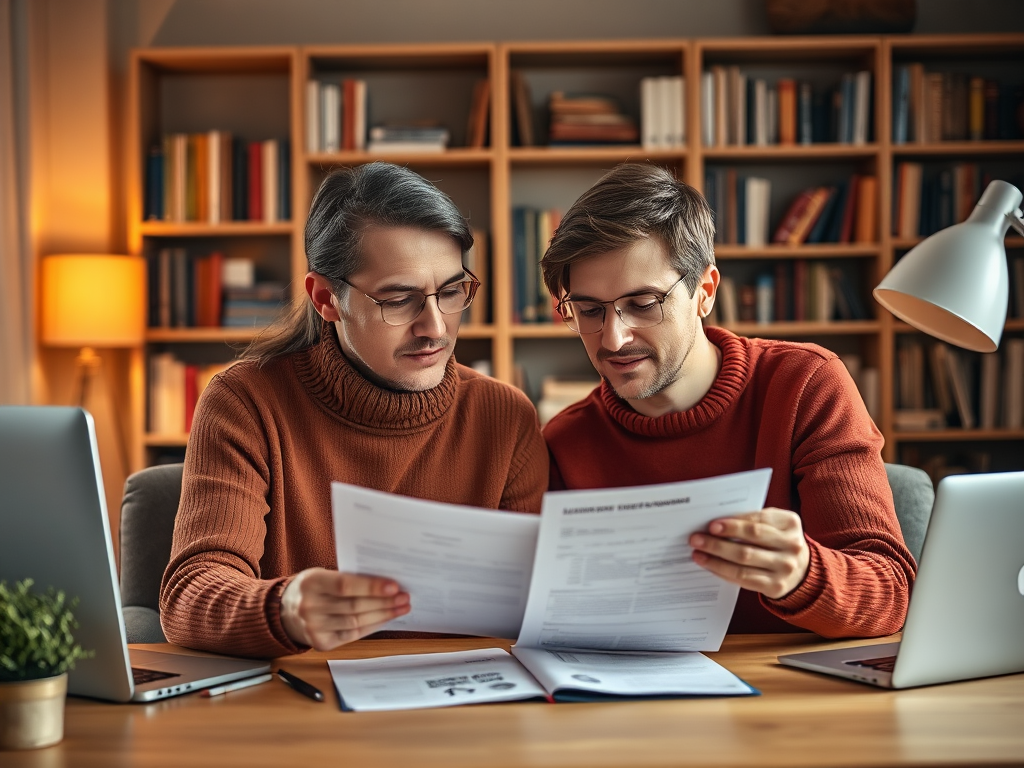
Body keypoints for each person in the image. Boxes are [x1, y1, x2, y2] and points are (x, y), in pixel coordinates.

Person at [161, 162, 547, 659]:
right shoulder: (245, 404)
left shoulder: (505, 417)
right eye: (399, 299)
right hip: (305, 709)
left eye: (451, 292)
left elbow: (535, 608)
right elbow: (189, 594)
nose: (436, 327)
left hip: (468, 710)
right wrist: (285, 608)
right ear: (326, 298)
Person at [540, 163, 916, 638]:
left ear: (705, 292)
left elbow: (891, 594)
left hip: (793, 697)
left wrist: (802, 575)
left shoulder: (805, 385)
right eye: (589, 311)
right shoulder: (565, 439)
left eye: (643, 304)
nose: (613, 339)